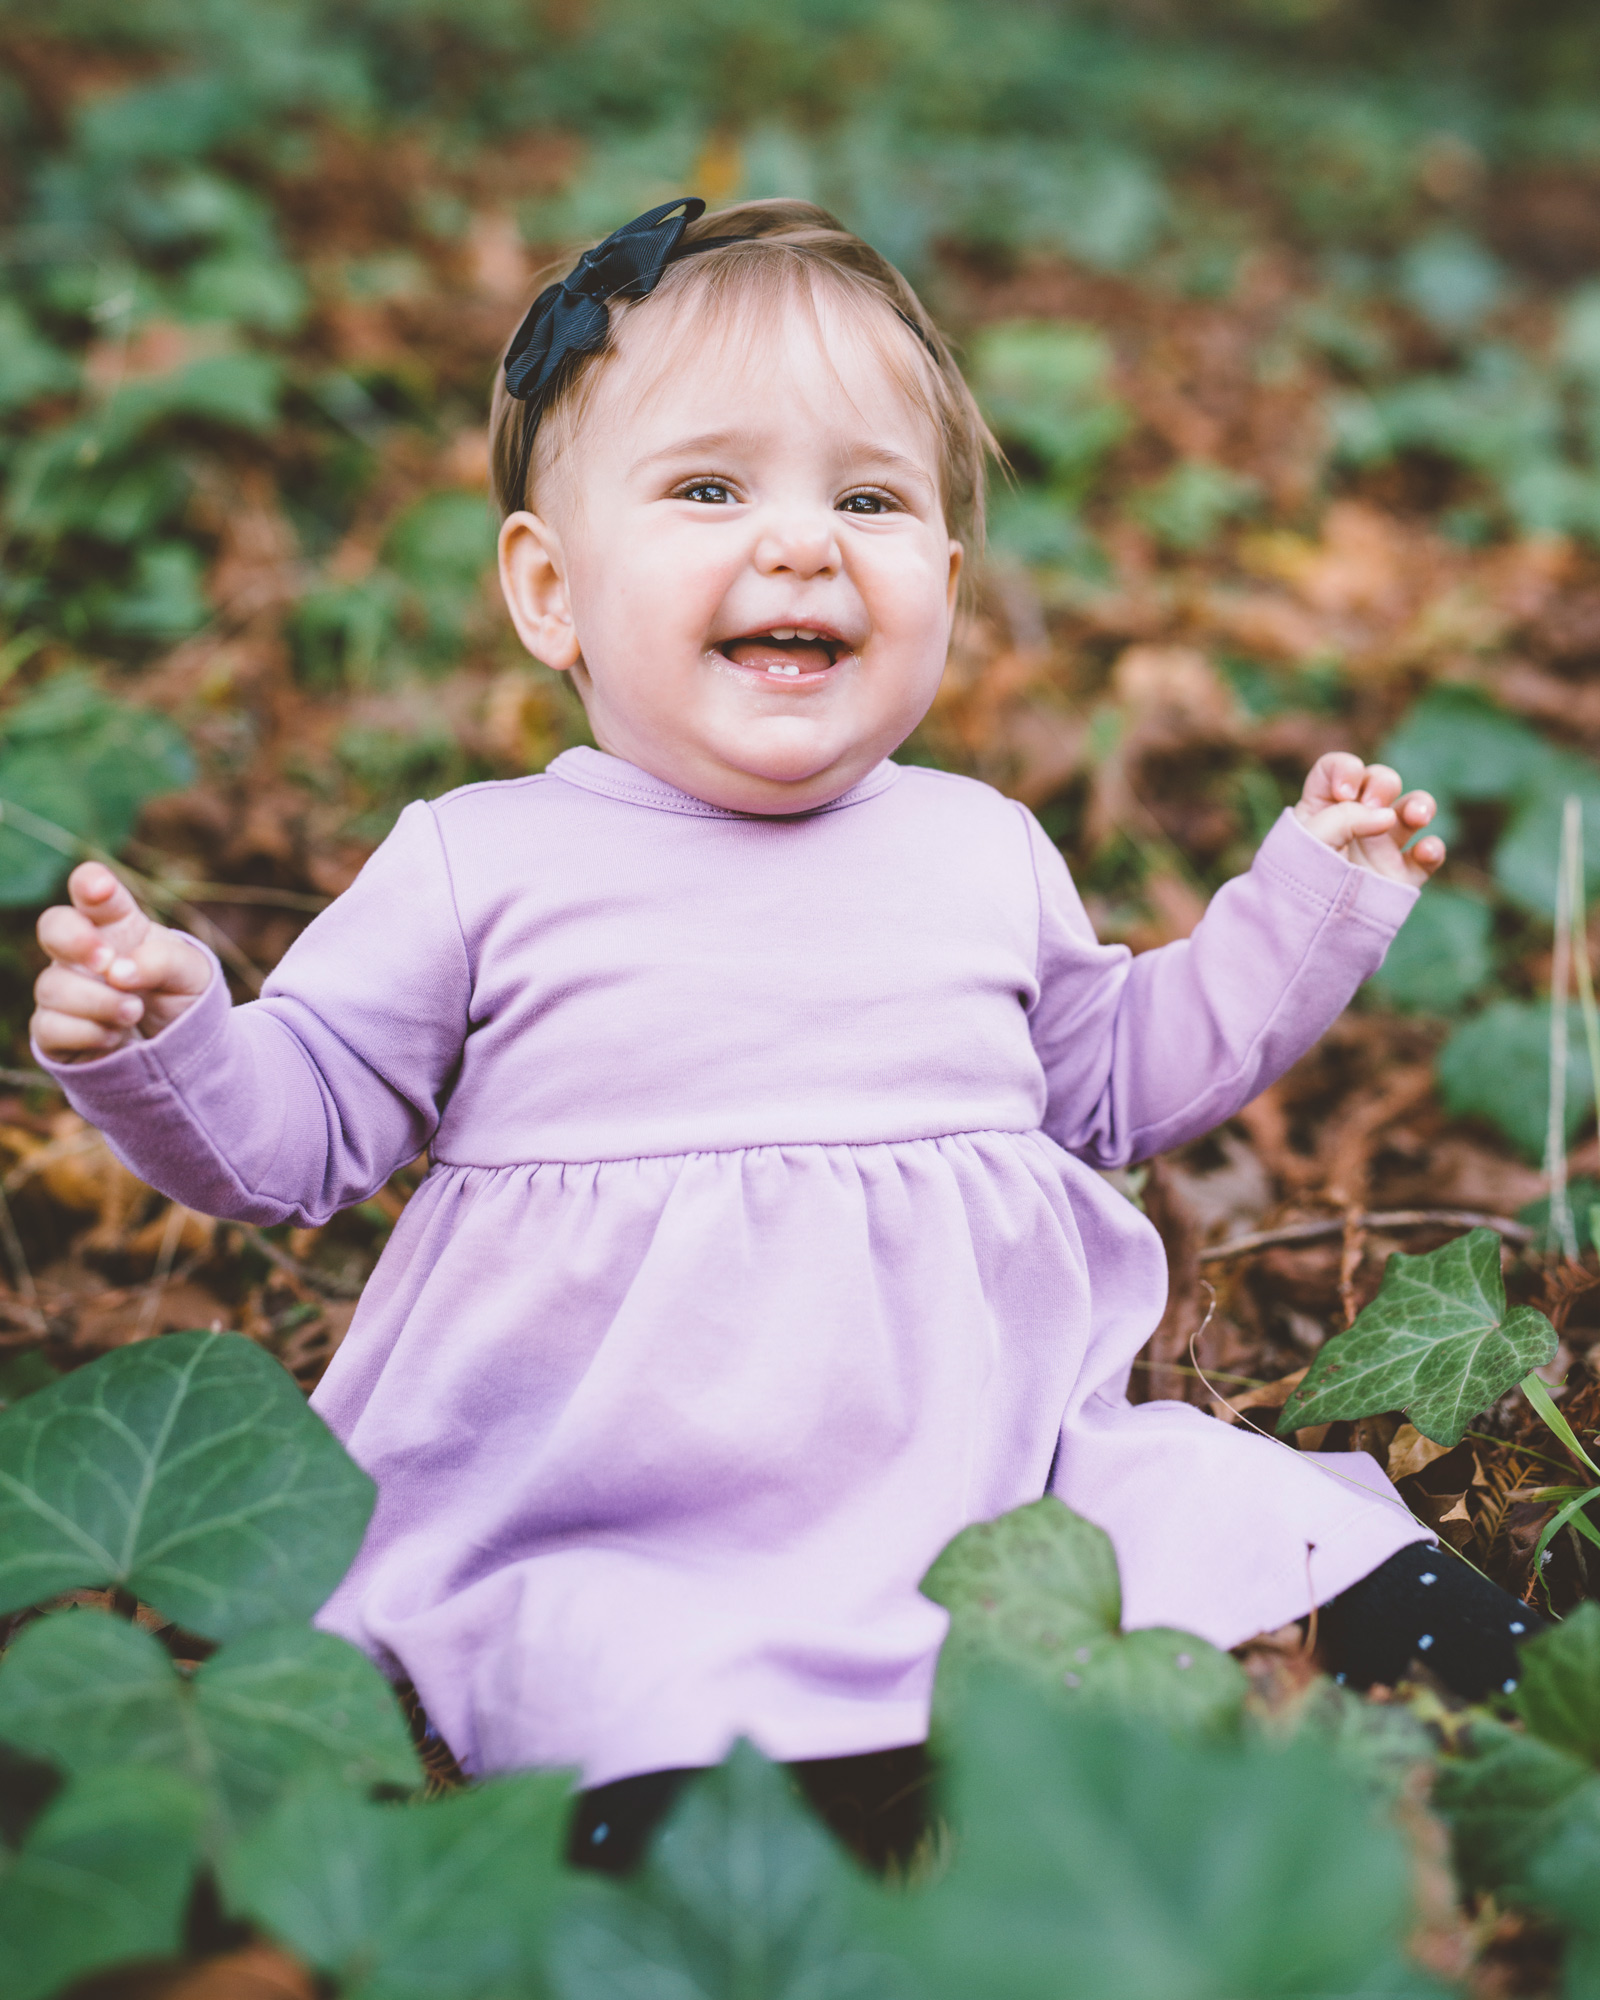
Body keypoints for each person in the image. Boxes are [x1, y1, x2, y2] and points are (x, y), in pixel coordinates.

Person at [29, 198, 1540, 1873]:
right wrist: (168, 1034)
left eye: (871, 497)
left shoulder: (978, 845)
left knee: (1235, 1519)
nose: (806, 541)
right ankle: (717, 1881)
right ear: (551, 589)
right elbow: (296, 1132)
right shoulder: (481, 859)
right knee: (607, 1663)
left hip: (995, 1482)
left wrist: (1299, 910)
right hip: (611, 1508)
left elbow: (1110, 1080)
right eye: (707, 488)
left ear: (947, 587)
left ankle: (1498, 1730)